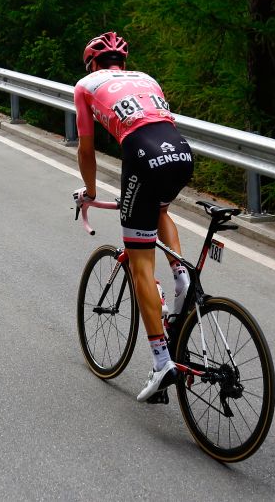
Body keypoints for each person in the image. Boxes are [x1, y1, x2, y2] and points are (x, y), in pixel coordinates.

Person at [72, 31, 194, 403]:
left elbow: (87, 149)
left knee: (140, 264)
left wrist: (90, 192)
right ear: (122, 63)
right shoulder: (146, 79)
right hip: (180, 153)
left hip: (142, 155)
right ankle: (181, 278)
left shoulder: (86, 84)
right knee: (159, 210)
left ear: (92, 63)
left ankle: (161, 363)